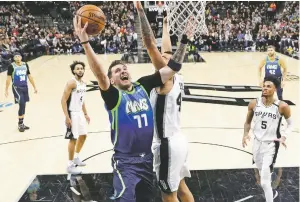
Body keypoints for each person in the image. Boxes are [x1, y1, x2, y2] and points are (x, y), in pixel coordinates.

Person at [73, 12, 190, 202]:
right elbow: (101, 75)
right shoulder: (113, 96)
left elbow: (172, 68)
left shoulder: (143, 85)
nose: (123, 71)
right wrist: (86, 43)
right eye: (117, 71)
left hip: (147, 160)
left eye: (124, 68)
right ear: (112, 80)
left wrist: (184, 40)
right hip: (126, 163)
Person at [135, 2, 194, 202]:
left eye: (164, 58)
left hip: (167, 143)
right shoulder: (177, 77)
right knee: (182, 187)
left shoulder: (165, 78)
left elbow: (149, 43)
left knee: (168, 196)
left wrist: (140, 11)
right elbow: (166, 49)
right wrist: (166, 25)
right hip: (180, 140)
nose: (161, 55)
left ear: (165, 66)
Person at [242, 76, 293, 202]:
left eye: (268, 86)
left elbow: (291, 124)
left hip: (271, 145)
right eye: (264, 85)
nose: (265, 88)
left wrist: (284, 136)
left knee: (265, 182)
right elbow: (247, 122)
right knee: (262, 176)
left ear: (275, 89)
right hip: (257, 144)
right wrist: (245, 134)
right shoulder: (254, 103)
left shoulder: (282, 106)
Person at [61, 61, 90, 175]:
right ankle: (70, 165)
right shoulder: (71, 83)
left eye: (82, 68)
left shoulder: (83, 83)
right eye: (78, 68)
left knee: (83, 136)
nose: (80, 70)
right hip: (72, 113)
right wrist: (67, 117)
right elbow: (63, 100)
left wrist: (86, 114)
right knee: (73, 139)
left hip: (80, 114)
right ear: (73, 70)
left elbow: (81, 100)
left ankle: (76, 157)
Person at [4, 52, 37, 132]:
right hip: (16, 87)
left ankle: (22, 123)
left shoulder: (25, 65)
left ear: (21, 57)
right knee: (21, 103)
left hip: (24, 87)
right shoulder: (11, 66)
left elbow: (29, 76)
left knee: (24, 105)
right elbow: (8, 79)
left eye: (19, 56)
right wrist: (6, 89)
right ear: (14, 58)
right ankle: (20, 124)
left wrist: (34, 87)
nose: (18, 58)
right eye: (16, 57)